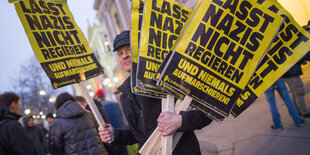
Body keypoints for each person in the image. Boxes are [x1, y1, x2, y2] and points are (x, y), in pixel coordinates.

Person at [99, 30, 213, 154]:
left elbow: (207, 113)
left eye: (129, 49)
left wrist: (180, 120)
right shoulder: (125, 95)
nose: (124, 55)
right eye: (120, 53)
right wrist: (115, 134)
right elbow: (138, 135)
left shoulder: (165, 79)